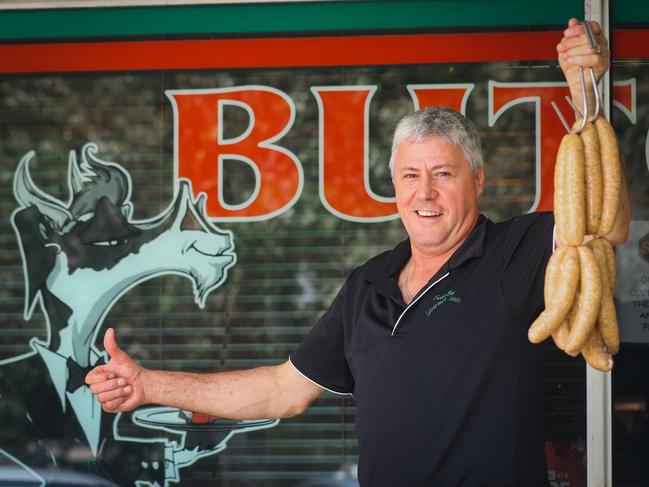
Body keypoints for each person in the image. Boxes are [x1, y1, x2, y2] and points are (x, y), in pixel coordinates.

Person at [86, 19, 629, 486]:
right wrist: (149, 385)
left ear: (478, 180)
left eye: (444, 174)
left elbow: (607, 225)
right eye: (411, 176)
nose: (426, 193)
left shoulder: (515, 252)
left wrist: (588, 98)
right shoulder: (368, 284)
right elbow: (282, 391)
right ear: (394, 185)